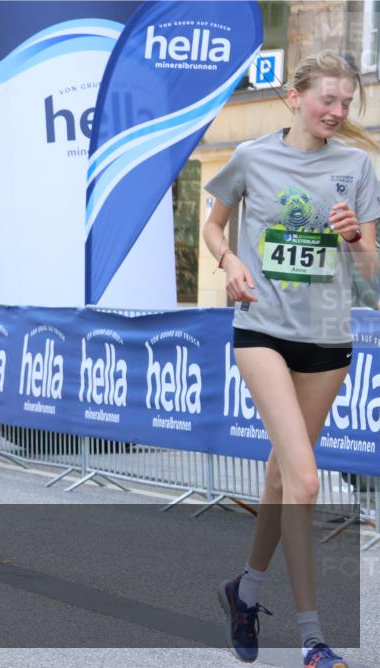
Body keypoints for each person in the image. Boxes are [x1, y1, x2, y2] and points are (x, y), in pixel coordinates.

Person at [203, 51, 380, 668]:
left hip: (328, 341)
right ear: (294, 97)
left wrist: (356, 236)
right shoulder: (253, 155)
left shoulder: (358, 165)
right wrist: (230, 264)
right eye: (325, 98)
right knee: (304, 481)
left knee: (281, 479)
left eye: (345, 101)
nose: (336, 110)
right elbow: (214, 227)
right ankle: (313, 638)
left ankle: (244, 592)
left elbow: (372, 271)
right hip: (262, 331)